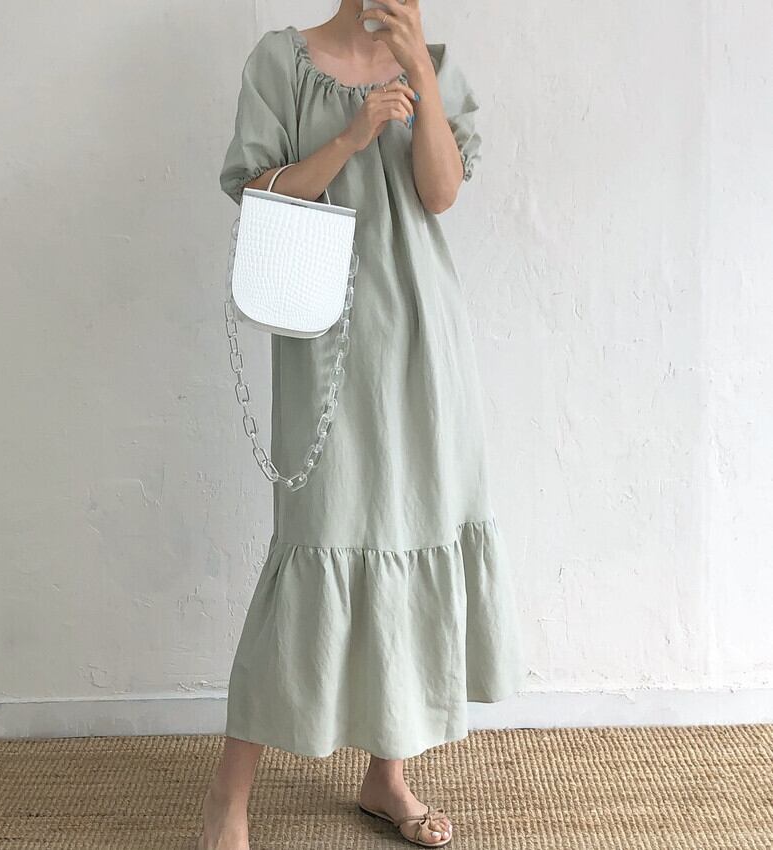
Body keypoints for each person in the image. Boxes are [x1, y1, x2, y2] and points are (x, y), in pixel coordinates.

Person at [201, 2, 525, 848]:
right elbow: (258, 195)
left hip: (423, 337)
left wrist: (418, 73)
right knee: (317, 541)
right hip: (327, 339)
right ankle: (229, 799)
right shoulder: (282, 62)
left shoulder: (434, 64)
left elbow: (440, 194)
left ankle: (387, 775)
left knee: (410, 529)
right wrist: (349, 138)